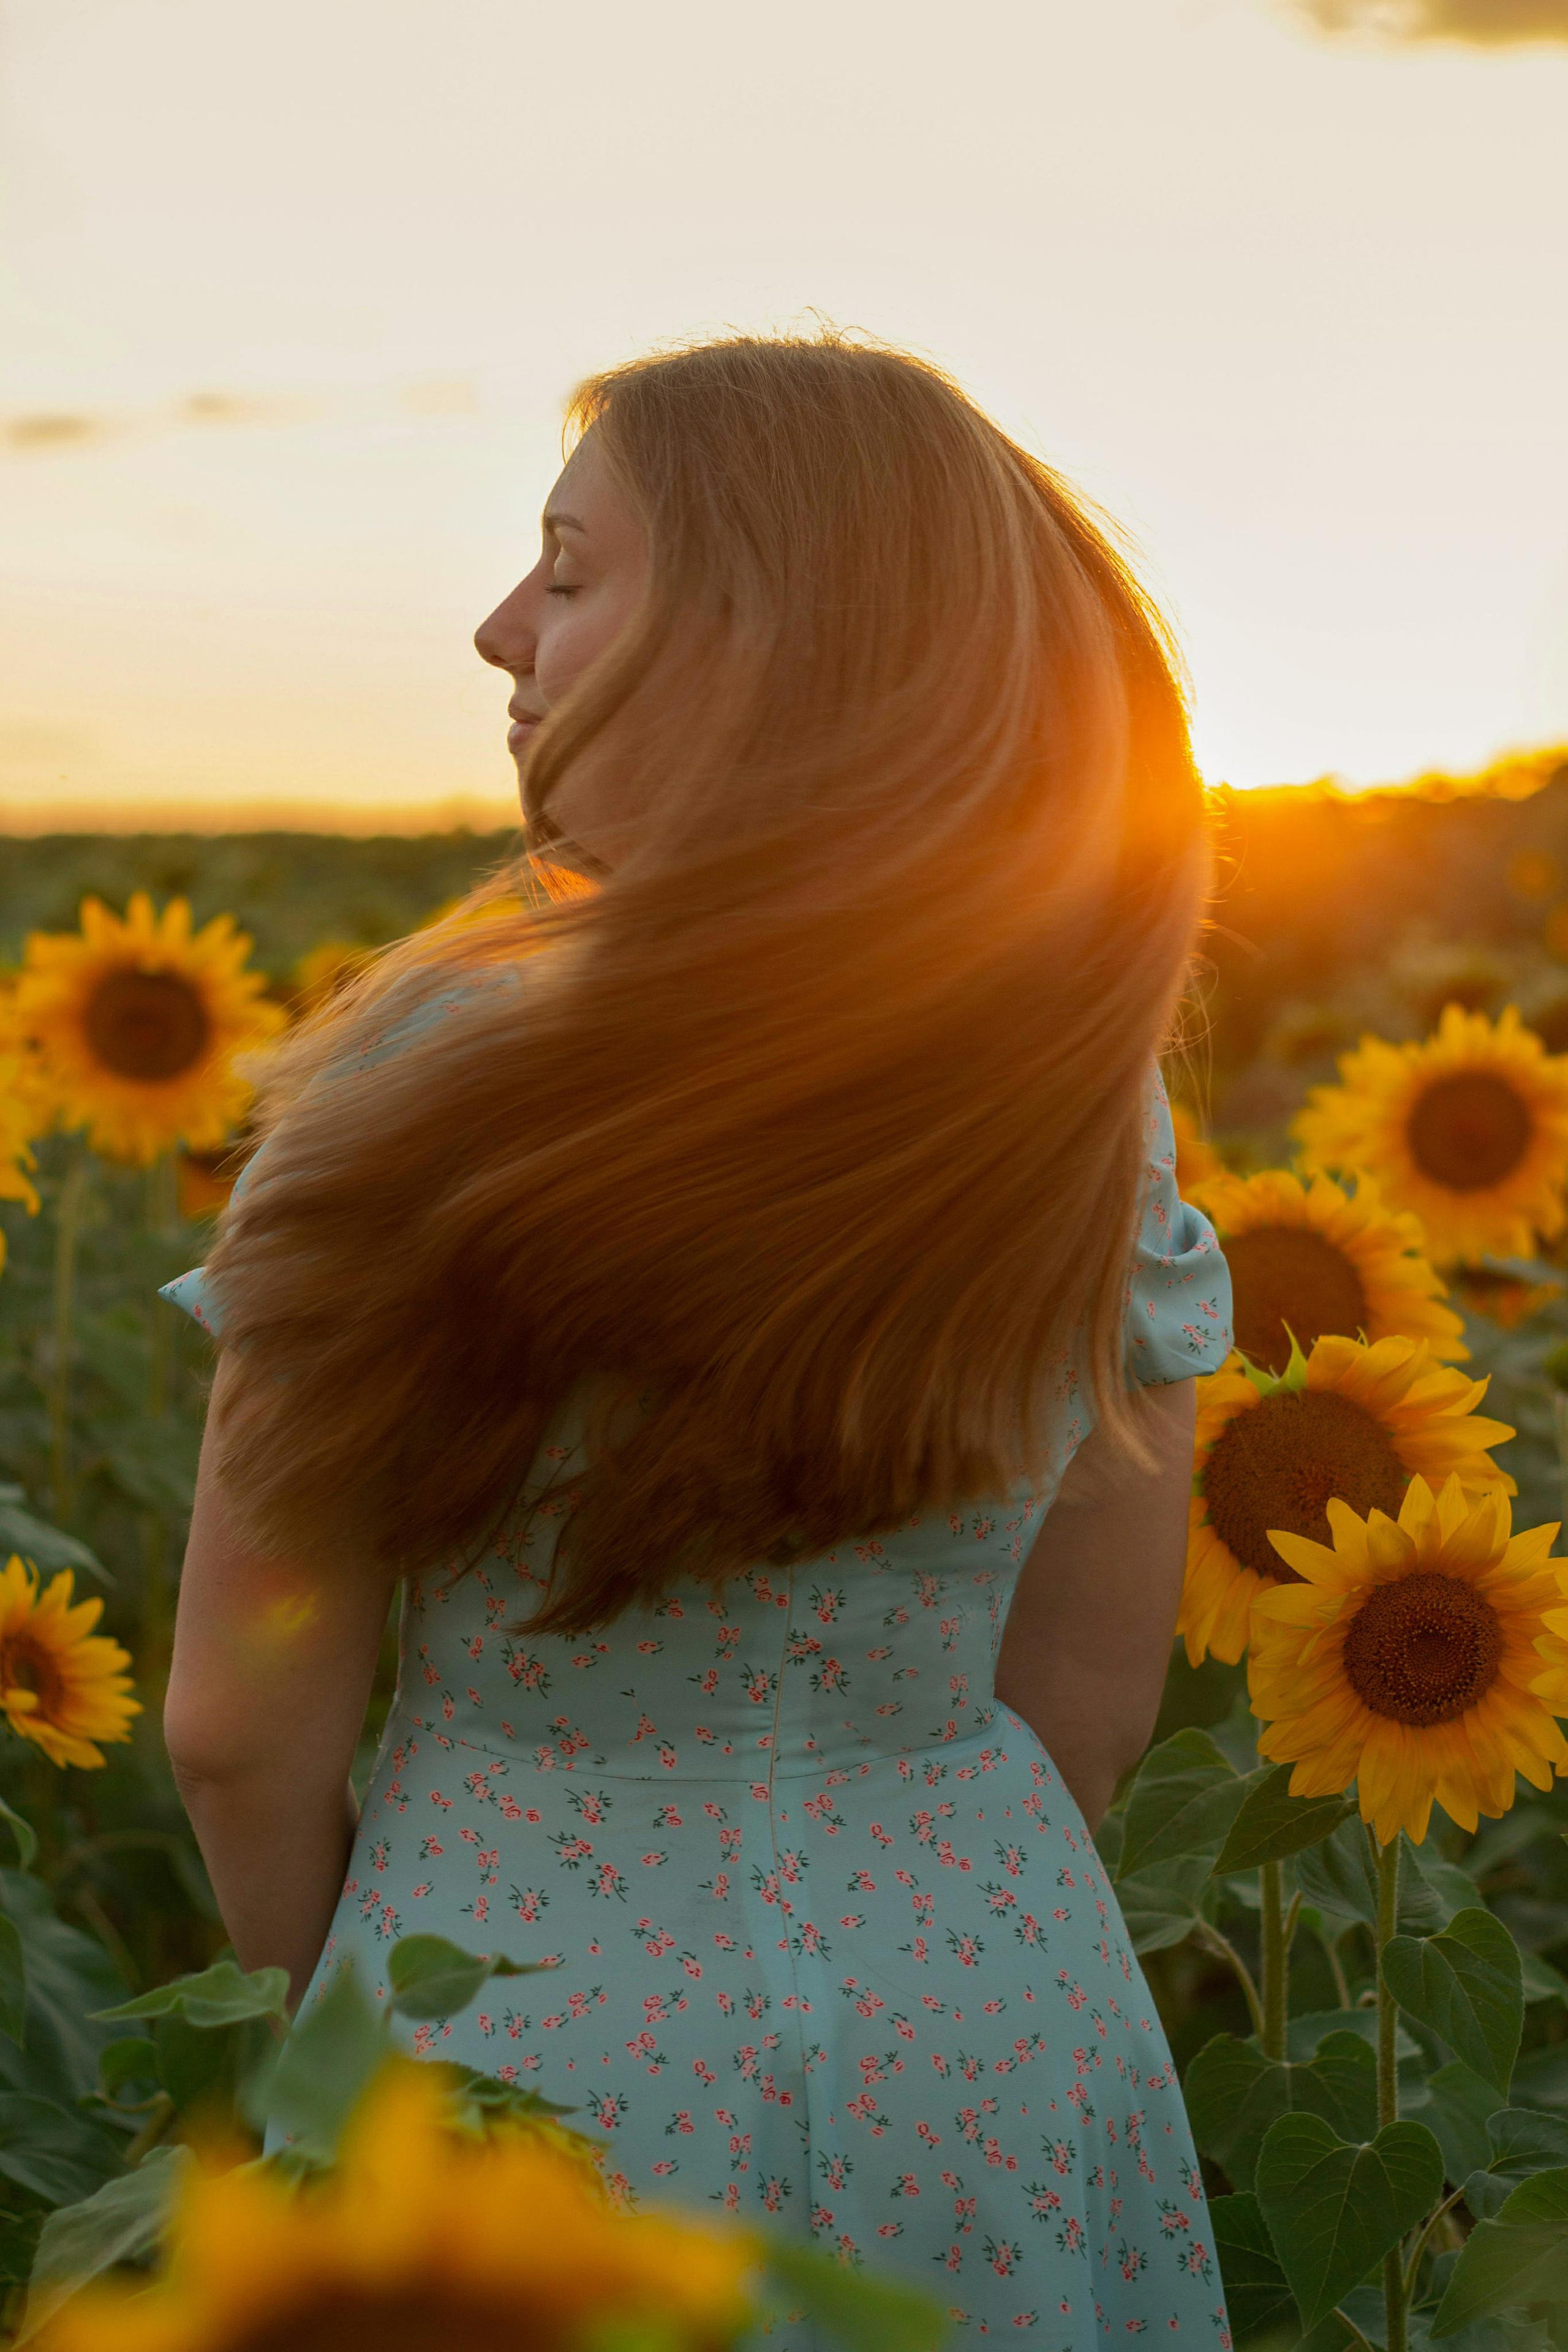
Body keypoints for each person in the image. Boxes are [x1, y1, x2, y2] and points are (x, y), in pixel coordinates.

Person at [161, 331, 1232, 2345]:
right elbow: (1089, 1705)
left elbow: (240, 1727)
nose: (501, 629)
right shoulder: (1079, 1098)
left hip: (500, 2035)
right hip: (983, 2030)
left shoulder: (413, 1075)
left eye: (570, 573)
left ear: (759, 646)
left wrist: (329, 2044)